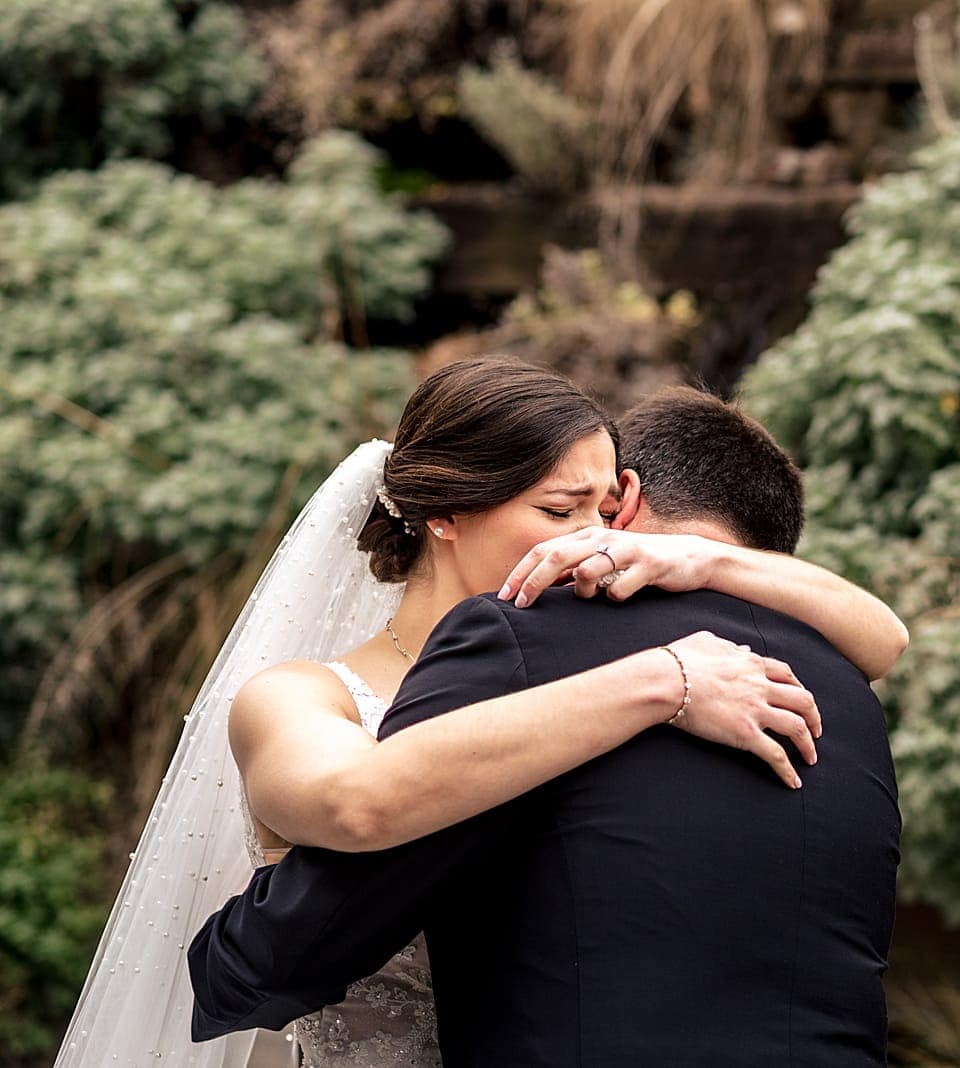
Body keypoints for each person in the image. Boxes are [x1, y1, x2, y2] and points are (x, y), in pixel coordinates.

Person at [58, 362, 906, 1068]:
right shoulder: (300, 694)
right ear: (445, 514)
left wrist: (691, 560)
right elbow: (357, 800)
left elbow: (884, 638)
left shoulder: (583, 641)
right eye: (559, 512)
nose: (590, 539)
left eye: (605, 512)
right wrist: (663, 679)